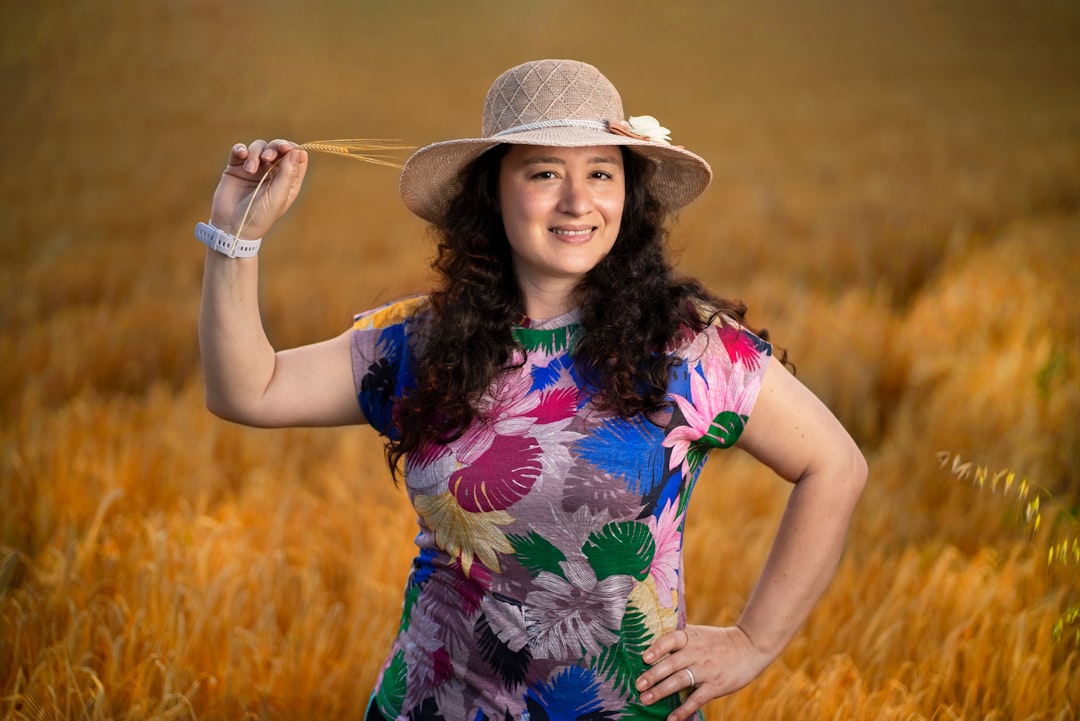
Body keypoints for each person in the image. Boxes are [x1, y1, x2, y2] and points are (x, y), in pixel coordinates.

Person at [198, 59, 867, 721]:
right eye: (545, 172)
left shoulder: (690, 348)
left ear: (625, 192)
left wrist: (755, 642)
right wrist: (235, 237)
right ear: (494, 191)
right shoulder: (422, 342)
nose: (578, 202)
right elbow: (248, 390)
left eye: (601, 173)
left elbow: (835, 464)